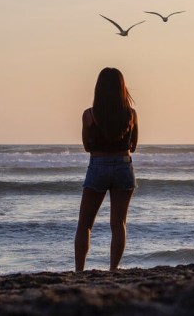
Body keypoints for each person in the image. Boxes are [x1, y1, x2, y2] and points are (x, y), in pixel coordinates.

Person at [75, 67, 139, 271]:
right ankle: (113, 269)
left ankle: (79, 271)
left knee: (85, 224)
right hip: (123, 165)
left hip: (98, 165)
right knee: (118, 224)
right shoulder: (131, 114)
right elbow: (133, 147)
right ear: (122, 88)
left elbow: (87, 147)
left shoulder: (89, 115)